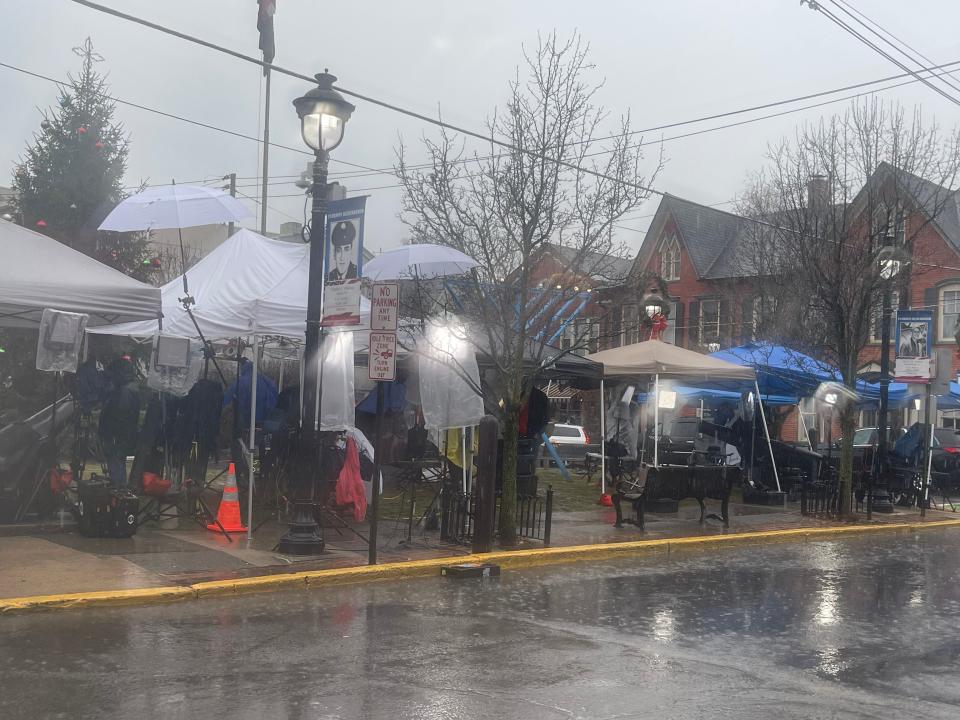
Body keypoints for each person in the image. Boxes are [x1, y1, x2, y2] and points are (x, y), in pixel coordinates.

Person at [99, 356, 140, 488]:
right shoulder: (130, 388)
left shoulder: (125, 391)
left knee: (116, 463)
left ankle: (119, 490)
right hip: (122, 435)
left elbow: (119, 414)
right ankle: (119, 489)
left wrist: (111, 433)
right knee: (118, 462)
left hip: (117, 435)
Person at [223, 357, 278, 434]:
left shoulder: (240, 382)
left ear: (242, 368)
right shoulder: (267, 381)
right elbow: (274, 397)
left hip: (246, 423)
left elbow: (227, 401)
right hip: (264, 422)